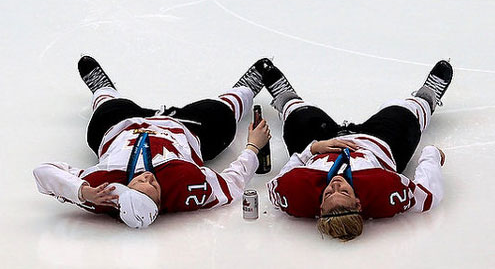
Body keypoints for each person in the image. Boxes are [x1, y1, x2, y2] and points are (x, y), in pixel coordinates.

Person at [33, 56, 271, 228]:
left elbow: (43, 171)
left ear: (124, 190)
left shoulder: (101, 190)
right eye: (154, 187)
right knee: (220, 117)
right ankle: (247, 88)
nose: (148, 177)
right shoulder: (188, 190)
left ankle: (103, 90)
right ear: (160, 202)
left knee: (106, 113)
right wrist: (253, 146)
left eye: (140, 182)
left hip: (123, 123)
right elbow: (232, 184)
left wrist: (81, 191)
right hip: (185, 127)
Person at [262, 59, 452, 241]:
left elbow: (277, 183)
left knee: (299, 118)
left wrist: (311, 149)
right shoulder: (384, 191)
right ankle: (426, 98)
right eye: (344, 192)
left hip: (322, 140)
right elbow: (428, 195)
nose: (336, 185)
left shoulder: (296, 195)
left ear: (320, 208)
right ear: (358, 203)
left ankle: (286, 99)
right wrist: (431, 155)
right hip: (378, 141)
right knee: (404, 115)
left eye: (328, 194)